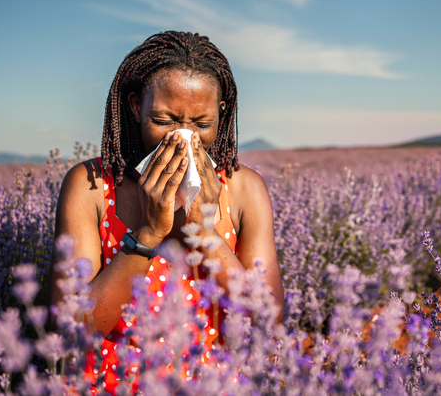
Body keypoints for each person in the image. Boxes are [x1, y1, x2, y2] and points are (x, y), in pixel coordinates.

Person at [50, 31, 284, 392]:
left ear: (221, 113)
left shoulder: (244, 188)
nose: (183, 138)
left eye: (201, 125)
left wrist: (206, 233)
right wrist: (147, 235)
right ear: (135, 106)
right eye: (165, 120)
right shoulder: (91, 185)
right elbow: (72, 332)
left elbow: (267, 321)